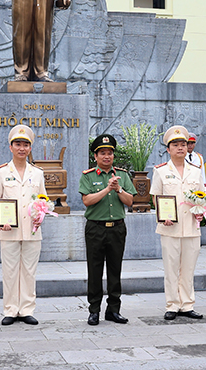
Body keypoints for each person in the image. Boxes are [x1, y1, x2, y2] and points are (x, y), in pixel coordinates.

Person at [0, 124, 47, 325]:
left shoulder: (37, 173)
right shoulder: (1, 172)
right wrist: (2, 219)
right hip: (8, 229)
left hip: (32, 230)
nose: (21, 148)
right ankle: (10, 310)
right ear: (10, 147)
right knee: (10, 270)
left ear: (30, 148)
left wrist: (41, 215)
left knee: (29, 271)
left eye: (25, 145)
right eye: (17, 144)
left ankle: (27, 309)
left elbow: (43, 199)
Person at [150, 125, 205, 321]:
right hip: (169, 226)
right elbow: (156, 198)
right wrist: (162, 214)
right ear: (168, 149)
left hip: (191, 226)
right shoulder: (161, 171)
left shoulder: (196, 171)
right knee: (171, 268)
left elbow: (202, 197)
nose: (180, 148)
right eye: (176, 145)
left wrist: (201, 211)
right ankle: (172, 304)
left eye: (184, 144)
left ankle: (187, 305)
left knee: (188, 269)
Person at [79, 134, 135, 325]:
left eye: (110, 153)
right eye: (102, 153)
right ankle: (94, 310)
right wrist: (107, 189)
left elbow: (130, 201)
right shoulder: (88, 176)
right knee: (94, 270)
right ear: (95, 156)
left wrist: (118, 189)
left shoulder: (122, 175)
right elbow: (87, 201)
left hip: (117, 229)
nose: (107, 156)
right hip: (95, 228)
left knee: (115, 270)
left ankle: (113, 310)